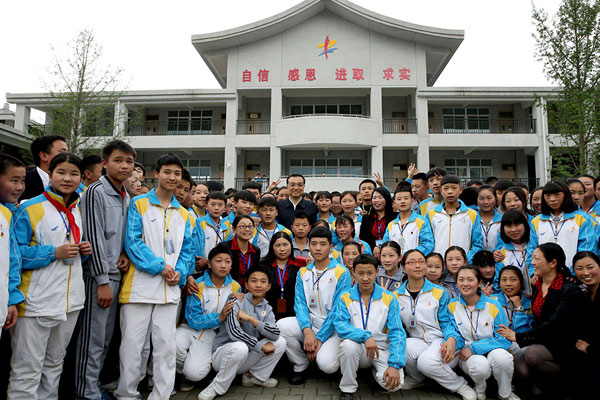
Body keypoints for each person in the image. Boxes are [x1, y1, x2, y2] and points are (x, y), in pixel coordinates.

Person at [10, 152, 92, 399]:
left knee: (54, 364)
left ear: (81, 177)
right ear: (50, 174)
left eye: (74, 174)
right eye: (61, 173)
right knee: (27, 369)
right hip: (36, 302)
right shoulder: (29, 207)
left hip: (70, 301)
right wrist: (53, 252)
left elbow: (72, 254)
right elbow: (16, 255)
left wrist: (83, 252)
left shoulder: (79, 210)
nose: (67, 179)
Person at [116, 153, 194, 400]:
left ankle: (160, 395)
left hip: (169, 290)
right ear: (156, 174)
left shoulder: (184, 214)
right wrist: (159, 267)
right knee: (132, 346)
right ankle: (127, 393)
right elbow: (132, 242)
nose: (172, 177)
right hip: (138, 288)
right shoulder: (138, 204)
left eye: (177, 173)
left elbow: (187, 251)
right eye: (167, 172)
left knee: (165, 347)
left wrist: (179, 272)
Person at [74, 140, 136, 400]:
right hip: (99, 277)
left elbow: (121, 236)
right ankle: (85, 392)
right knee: (93, 339)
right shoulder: (94, 192)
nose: (124, 166)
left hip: (117, 274)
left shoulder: (125, 195)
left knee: (107, 338)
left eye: (129, 161)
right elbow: (94, 237)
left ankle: (95, 385)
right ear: (104, 163)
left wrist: (123, 253)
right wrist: (100, 280)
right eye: (118, 160)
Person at [498, 243, 588, 399]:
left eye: (536, 258)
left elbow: (555, 323)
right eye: (532, 258)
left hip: (563, 342)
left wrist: (520, 337)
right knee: (523, 370)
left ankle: (569, 386)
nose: (532, 262)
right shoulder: (538, 285)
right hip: (543, 338)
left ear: (553, 263)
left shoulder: (568, 289)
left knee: (532, 354)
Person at [393, 249, 477, 400]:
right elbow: (397, 328)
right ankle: (416, 379)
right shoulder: (396, 296)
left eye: (421, 262)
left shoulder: (440, 292)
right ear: (403, 267)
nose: (417, 266)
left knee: (426, 362)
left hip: (441, 341)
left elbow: (447, 322)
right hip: (418, 341)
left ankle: (460, 386)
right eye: (412, 262)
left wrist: (452, 339)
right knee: (404, 345)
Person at [197, 265, 286, 400]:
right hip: (222, 355)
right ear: (246, 284)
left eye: (263, 281)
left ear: (268, 286)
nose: (258, 285)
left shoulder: (267, 308)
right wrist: (260, 346)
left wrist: (251, 319)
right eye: (254, 281)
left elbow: (274, 333)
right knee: (240, 346)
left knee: (280, 342)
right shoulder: (236, 302)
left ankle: (253, 377)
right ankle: (215, 387)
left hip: (244, 357)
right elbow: (234, 332)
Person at [277, 227, 351, 384]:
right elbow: (300, 305)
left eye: (323, 244)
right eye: (314, 244)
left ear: (331, 247)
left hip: (333, 327)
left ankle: (321, 357)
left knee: (327, 365)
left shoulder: (341, 272)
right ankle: (301, 364)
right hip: (310, 323)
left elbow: (338, 310)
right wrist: (308, 331)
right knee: (281, 326)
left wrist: (319, 339)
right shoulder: (303, 272)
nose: (318, 248)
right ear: (308, 246)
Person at [335, 254, 406, 399]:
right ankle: (348, 388)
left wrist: (394, 365)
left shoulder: (389, 298)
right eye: (360, 273)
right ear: (353, 273)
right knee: (348, 346)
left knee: (394, 384)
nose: (365, 278)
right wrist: (365, 337)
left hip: (380, 348)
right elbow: (340, 325)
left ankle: (376, 373)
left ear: (377, 272)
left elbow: (397, 332)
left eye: (370, 273)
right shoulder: (345, 297)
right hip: (358, 347)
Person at [176, 246, 241, 392]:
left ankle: (194, 371)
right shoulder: (197, 284)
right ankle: (179, 372)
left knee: (194, 373)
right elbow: (194, 319)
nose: (223, 265)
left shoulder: (235, 287)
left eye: (227, 262)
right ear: (210, 264)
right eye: (218, 261)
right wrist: (219, 317)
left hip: (211, 334)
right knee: (174, 346)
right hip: (190, 328)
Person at [448, 266, 518, 400]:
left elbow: (504, 338)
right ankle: (480, 388)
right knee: (480, 367)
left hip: (492, 348)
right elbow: (453, 332)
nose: (465, 284)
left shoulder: (493, 305)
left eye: (470, 279)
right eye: (461, 280)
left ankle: (505, 394)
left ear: (479, 282)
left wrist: (474, 348)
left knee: (503, 359)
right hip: (466, 351)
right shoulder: (452, 305)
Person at [527, 180, 597, 272]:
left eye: (557, 194)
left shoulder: (582, 219)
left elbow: (586, 249)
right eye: (547, 195)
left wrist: (574, 273)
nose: (552, 199)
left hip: (573, 277)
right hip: (545, 276)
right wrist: (533, 272)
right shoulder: (536, 221)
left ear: (566, 195)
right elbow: (531, 251)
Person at [0, 153, 25, 396]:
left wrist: (12, 298)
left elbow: (11, 262)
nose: (19, 187)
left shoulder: (9, 214)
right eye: (13, 180)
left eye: (22, 181)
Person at [427, 175, 483, 262]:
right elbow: (428, 242)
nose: (450, 192)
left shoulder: (472, 214)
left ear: (460, 190)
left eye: (454, 188)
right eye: (446, 188)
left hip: (463, 266)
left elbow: (477, 243)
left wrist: (465, 260)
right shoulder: (432, 214)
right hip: (438, 265)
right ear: (441, 191)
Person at [492, 266, 533, 363]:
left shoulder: (530, 304)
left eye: (513, 279)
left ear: (521, 282)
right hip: (498, 346)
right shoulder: (492, 301)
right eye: (504, 280)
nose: (508, 284)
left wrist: (519, 308)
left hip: (521, 346)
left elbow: (522, 333)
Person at [572, 251, 600, 388]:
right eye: (579, 268)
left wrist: (590, 349)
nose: (585, 273)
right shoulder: (585, 294)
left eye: (590, 267)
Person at [382, 182, 433, 256]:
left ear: (412, 200)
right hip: (396, 264)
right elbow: (386, 245)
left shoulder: (422, 221)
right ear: (394, 202)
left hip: (415, 263)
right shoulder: (391, 225)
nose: (402, 201)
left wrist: (409, 256)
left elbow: (427, 244)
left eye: (406, 198)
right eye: (399, 199)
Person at [494, 210, 533, 297]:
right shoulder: (501, 253)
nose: (513, 230)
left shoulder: (534, 247)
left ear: (525, 225)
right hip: (515, 301)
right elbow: (498, 283)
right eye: (508, 226)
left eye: (517, 225)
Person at [19, 135, 69, 202]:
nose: (68, 156)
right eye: (63, 152)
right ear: (44, 156)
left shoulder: (71, 184)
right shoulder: (23, 182)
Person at [264, 232, 301, 319]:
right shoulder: (264, 267)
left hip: (293, 312)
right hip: (268, 311)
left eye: (285, 245)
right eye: (278, 245)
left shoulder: (298, 267)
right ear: (272, 247)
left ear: (291, 246)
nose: (282, 249)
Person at [220, 216, 261, 288]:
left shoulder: (255, 250)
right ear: (234, 229)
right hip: (228, 288)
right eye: (242, 226)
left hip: (249, 291)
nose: (247, 229)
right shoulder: (225, 247)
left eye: (250, 226)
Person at [360, 187, 397, 252]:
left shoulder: (395, 217)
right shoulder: (366, 218)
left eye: (380, 197)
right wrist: (373, 247)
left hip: (391, 251)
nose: (377, 200)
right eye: (374, 198)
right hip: (372, 253)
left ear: (387, 199)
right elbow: (363, 238)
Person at [198, 191, 232, 258]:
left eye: (220, 205)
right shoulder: (199, 223)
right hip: (201, 264)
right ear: (206, 206)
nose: (216, 208)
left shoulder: (227, 226)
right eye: (213, 204)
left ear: (225, 208)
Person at [477, 184, 502, 251]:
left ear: (495, 199)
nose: (485, 202)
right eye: (481, 198)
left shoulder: (503, 220)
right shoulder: (472, 219)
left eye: (489, 198)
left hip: (498, 259)